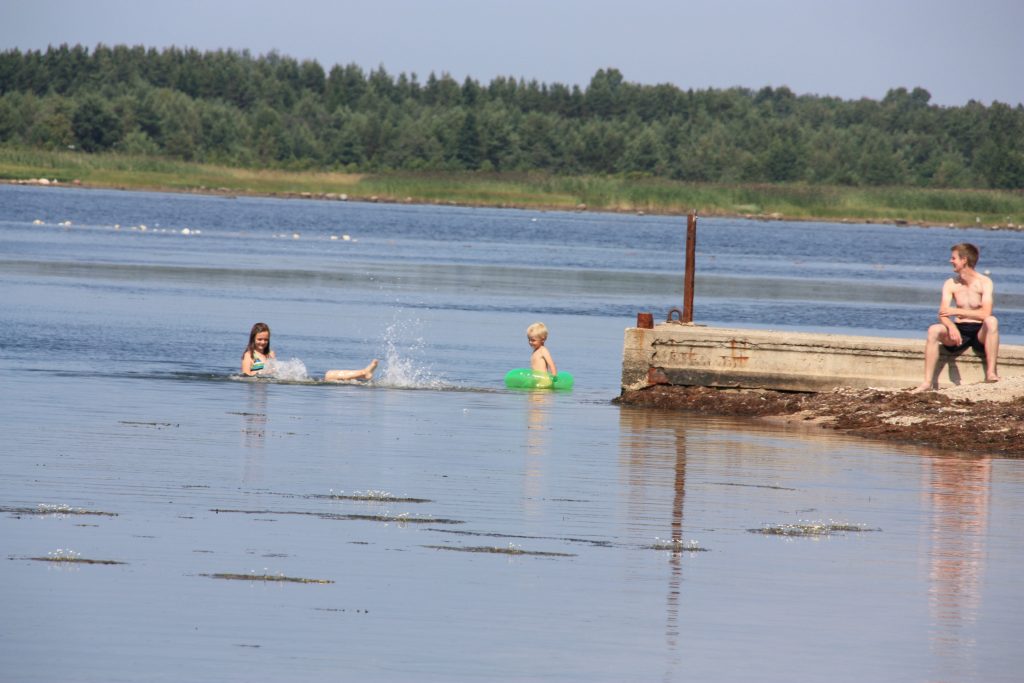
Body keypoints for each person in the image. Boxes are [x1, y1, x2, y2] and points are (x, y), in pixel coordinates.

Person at [914, 243, 1000, 391]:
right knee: (934, 329)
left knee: (992, 321)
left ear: (964, 260)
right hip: (959, 332)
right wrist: (951, 325)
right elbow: (943, 313)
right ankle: (927, 382)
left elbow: (986, 313)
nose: (950, 261)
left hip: (980, 332)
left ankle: (991, 373)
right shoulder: (950, 283)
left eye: (953, 258)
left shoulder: (985, 282)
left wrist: (955, 311)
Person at [241, 322, 378, 381]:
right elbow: (246, 375)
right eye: (260, 339)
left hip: (290, 379)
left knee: (329, 376)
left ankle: (363, 373)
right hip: (265, 380)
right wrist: (264, 372)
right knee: (330, 377)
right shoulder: (249, 355)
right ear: (253, 338)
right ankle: (363, 373)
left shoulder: (270, 353)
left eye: (265, 339)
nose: (263, 342)